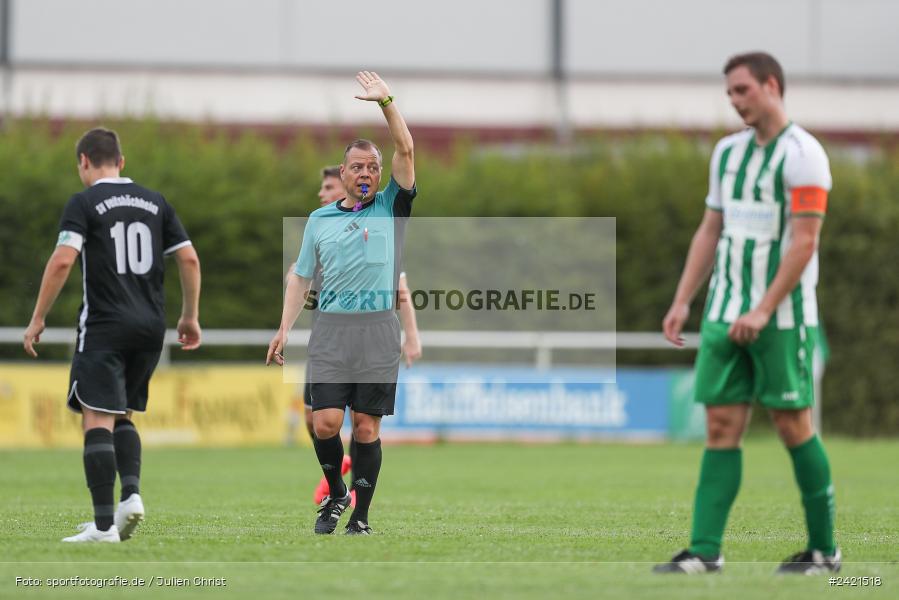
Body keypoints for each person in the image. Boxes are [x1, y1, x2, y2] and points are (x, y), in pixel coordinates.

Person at [654, 52, 838, 575]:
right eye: (730, 93)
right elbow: (710, 230)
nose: (734, 102)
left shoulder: (805, 156)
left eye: (742, 91)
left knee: (792, 424)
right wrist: (683, 299)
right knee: (719, 426)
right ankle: (705, 551)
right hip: (723, 313)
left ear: (771, 86)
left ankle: (825, 551)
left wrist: (762, 309)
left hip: (780, 319)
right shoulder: (726, 154)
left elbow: (804, 243)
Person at [23, 128, 202, 543]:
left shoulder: (84, 202)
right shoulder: (156, 202)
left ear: (83, 162)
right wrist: (189, 316)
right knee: (123, 414)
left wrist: (37, 319)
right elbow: (189, 259)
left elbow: (63, 262)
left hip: (105, 325)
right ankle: (131, 498)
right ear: (122, 162)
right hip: (150, 328)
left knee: (96, 417)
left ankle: (104, 526)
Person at [268, 71, 416, 536]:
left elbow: (406, 150)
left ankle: (362, 517)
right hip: (331, 328)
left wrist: (386, 102)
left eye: (373, 166)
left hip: (377, 329)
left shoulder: (391, 207)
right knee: (327, 422)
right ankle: (335, 492)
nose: (367, 173)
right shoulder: (319, 219)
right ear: (344, 173)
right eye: (358, 167)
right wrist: (283, 328)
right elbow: (301, 276)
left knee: (367, 429)